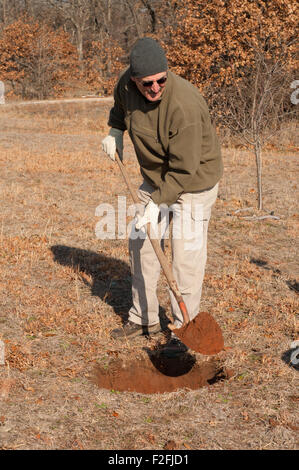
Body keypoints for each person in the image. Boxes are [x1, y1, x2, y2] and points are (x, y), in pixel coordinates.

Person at [102, 37, 223, 353]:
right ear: (134, 79)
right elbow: (120, 108)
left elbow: (184, 171)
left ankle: (184, 331)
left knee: (185, 258)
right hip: (155, 179)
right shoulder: (126, 87)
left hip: (193, 184)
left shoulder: (184, 105)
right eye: (147, 83)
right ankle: (143, 318)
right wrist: (115, 131)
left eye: (161, 81)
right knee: (141, 242)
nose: (155, 88)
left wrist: (156, 204)